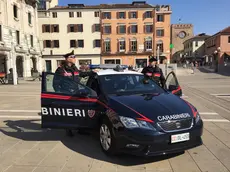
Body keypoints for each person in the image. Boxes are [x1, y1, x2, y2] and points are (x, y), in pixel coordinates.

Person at [53, 50, 95, 137]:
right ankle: (68, 129)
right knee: (69, 113)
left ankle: (80, 129)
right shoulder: (60, 70)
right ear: (67, 59)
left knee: (79, 112)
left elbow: (82, 74)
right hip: (67, 94)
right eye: (72, 57)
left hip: (76, 93)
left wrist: (92, 72)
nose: (74, 58)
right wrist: (59, 94)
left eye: (75, 57)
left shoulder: (74, 68)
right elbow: (55, 84)